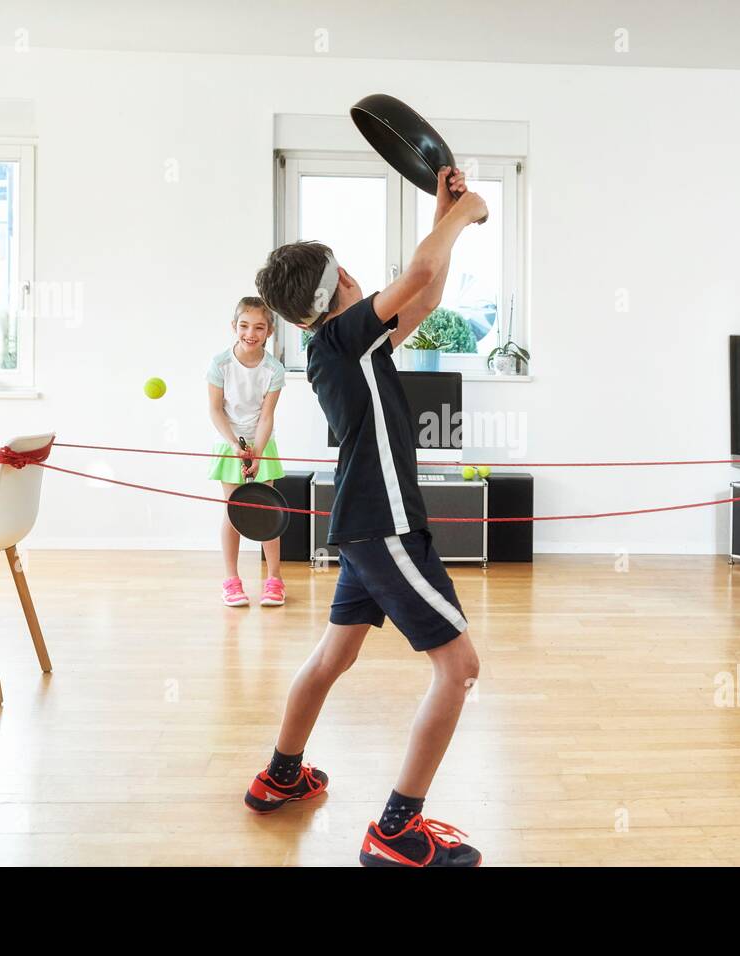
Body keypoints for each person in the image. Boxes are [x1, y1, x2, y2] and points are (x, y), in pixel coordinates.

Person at [248, 167, 488, 867]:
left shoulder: (341, 343)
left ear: (294, 315)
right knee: (459, 668)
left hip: (361, 526)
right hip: (382, 523)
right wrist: (465, 211)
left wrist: (446, 218)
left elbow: (425, 287)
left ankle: (282, 775)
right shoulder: (342, 339)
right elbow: (416, 274)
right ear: (346, 280)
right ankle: (395, 830)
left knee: (335, 654)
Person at [206, 297, 286, 608]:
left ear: (269, 331)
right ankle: (232, 581)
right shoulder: (220, 364)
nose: (250, 333)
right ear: (234, 327)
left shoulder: (273, 369)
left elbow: (267, 416)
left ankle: (274, 580)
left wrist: (257, 450)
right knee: (233, 511)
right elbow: (215, 411)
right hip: (229, 445)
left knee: (267, 512)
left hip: (262, 443)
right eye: (244, 326)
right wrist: (235, 446)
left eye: (258, 327)